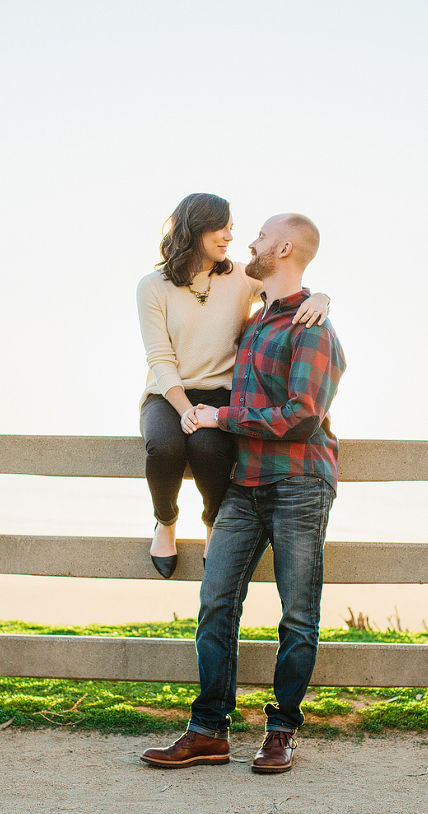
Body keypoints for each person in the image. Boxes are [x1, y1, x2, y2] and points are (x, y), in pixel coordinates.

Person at [140, 212, 346, 774]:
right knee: (216, 604)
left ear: (281, 247)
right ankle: (208, 731)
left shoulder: (314, 330)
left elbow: (301, 418)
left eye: (258, 236)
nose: (248, 242)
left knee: (298, 615)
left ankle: (281, 731)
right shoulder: (255, 324)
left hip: (299, 483)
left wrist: (220, 417)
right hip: (244, 484)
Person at [135, 192, 329, 578]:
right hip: (167, 392)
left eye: (231, 229)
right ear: (195, 229)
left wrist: (323, 297)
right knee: (164, 447)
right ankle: (166, 521)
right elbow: (160, 359)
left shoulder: (242, 275)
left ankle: (212, 524)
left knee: (209, 449)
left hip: (222, 393)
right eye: (220, 228)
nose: (229, 236)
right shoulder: (152, 286)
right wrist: (185, 410)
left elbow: (285, 293)